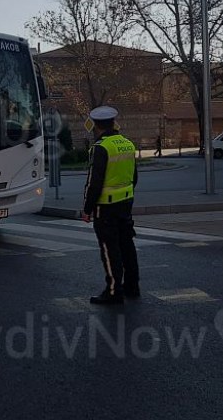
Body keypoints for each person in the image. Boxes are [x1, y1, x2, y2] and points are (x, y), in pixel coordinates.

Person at [81, 106, 140, 305]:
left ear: (96, 126)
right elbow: (134, 177)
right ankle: (132, 287)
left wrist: (87, 209)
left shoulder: (100, 147)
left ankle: (114, 291)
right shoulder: (127, 144)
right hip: (126, 203)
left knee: (109, 249)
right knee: (127, 244)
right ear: (113, 123)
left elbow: (94, 183)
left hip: (105, 207)